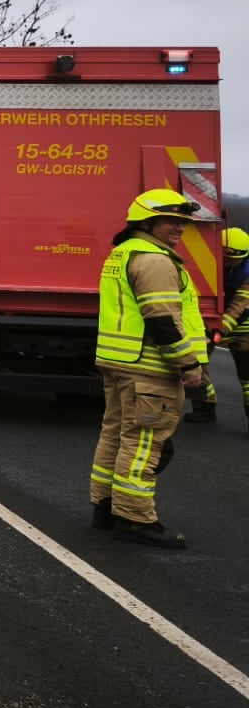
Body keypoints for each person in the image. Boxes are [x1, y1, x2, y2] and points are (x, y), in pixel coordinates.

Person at [88, 189, 209, 548]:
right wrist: (188, 364)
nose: (180, 228)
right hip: (149, 368)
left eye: (183, 222)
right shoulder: (154, 260)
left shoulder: (124, 252)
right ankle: (136, 520)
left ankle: (105, 507)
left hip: (122, 363)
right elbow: (162, 321)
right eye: (171, 221)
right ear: (146, 223)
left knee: (115, 436)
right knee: (143, 443)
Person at [182, 226, 249, 429]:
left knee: (247, 378)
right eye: (224, 257)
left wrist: (220, 329)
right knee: (195, 367)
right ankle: (204, 408)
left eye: (231, 259)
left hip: (243, 331)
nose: (226, 262)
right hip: (212, 326)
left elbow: (241, 306)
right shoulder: (209, 263)